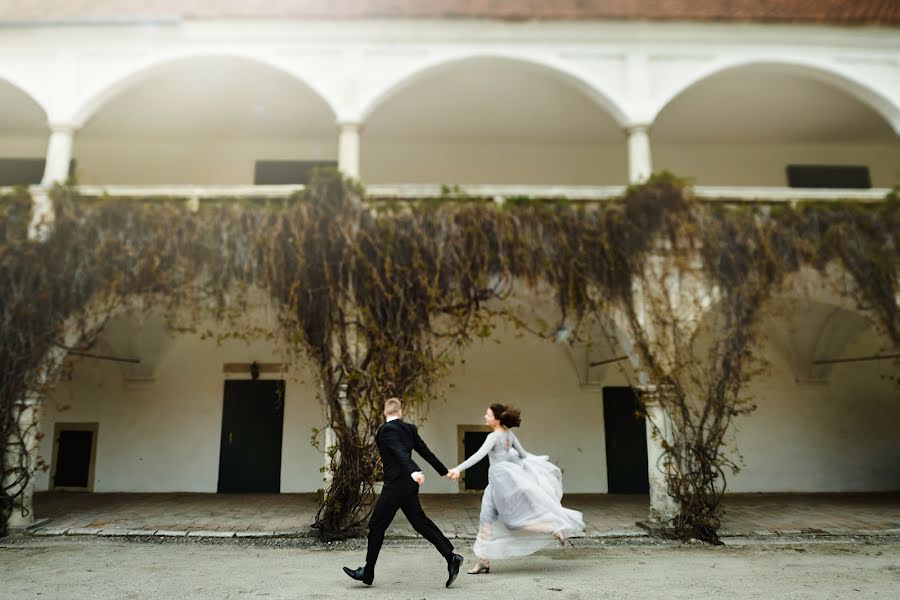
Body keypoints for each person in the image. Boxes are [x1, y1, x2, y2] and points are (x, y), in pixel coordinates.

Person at [447, 403, 584, 574]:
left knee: (511, 522)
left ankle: (551, 527)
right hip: (500, 483)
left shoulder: (493, 437)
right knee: (486, 518)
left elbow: (478, 456)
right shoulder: (509, 435)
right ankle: (483, 560)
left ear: (497, 419)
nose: (485, 417)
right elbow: (524, 456)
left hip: (500, 482)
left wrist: (458, 469)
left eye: (488, 415)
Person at [343, 397, 464, 587]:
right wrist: (444, 471)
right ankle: (451, 557)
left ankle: (367, 572)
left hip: (396, 484)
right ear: (400, 412)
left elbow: (397, 450)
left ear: (385, 413)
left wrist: (413, 469)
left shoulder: (386, 430)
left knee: (376, 525)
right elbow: (425, 452)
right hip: (408, 484)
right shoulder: (409, 429)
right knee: (419, 522)